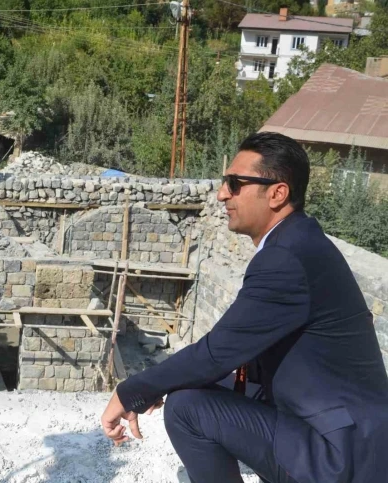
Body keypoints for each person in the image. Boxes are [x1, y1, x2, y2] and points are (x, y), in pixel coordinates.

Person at [101, 132, 388, 483]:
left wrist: (131, 391)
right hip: (345, 433)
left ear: (277, 194)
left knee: (187, 408)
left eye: (235, 184)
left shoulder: (286, 258)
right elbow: (232, 357)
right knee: (193, 388)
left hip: (341, 455)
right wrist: (167, 382)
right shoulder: (298, 241)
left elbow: (216, 353)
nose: (223, 194)